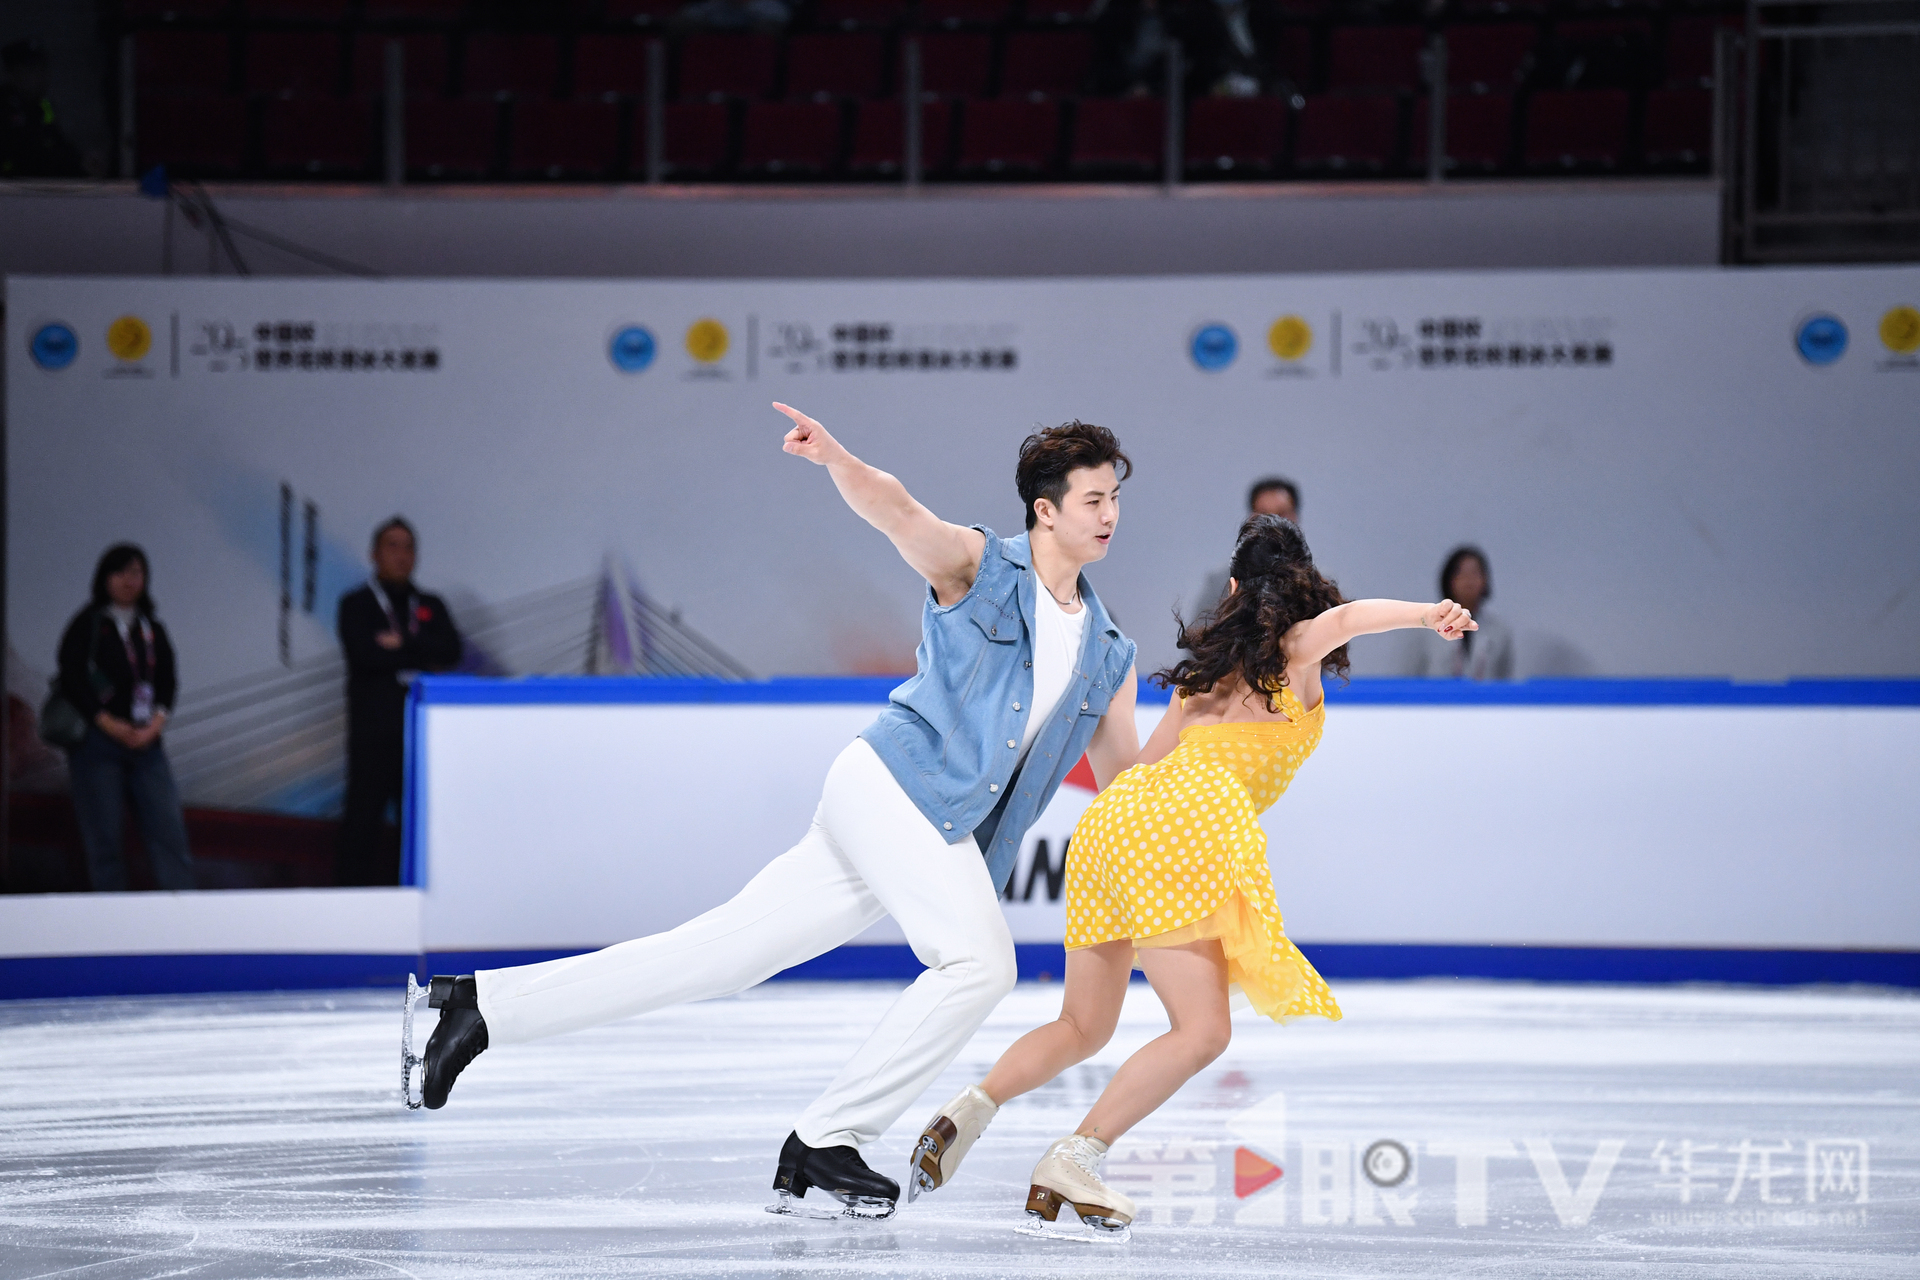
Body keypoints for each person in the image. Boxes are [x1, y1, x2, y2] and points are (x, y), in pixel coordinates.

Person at [409, 403, 1142, 1223]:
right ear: (1045, 510)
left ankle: (477, 1007)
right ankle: (829, 1138)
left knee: (720, 956)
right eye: (1093, 500)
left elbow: (1131, 780)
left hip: (925, 822)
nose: (1110, 515)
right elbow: (899, 511)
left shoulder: (1109, 651)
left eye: (1115, 498)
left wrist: (1225, 728)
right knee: (980, 964)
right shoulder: (985, 571)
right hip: (893, 786)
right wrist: (838, 461)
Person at [908, 514, 1475, 1240]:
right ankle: (1075, 1156)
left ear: (1234, 588)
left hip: (1115, 821)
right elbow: (1349, 619)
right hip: (1187, 824)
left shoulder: (1200, 678)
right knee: (1203, 1031)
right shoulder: (1294, 654)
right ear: (1302, 589)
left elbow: (1135, 772)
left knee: (1081, 1025)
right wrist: (1429, 613)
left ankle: (972, 1108)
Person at [56, 544, 193, 892]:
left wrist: (156, 725)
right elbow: (71, 677)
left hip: (147, 743)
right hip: (99, 743)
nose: (130, 580)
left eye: (137, 573)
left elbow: (168, 680)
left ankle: (182, 921)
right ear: (105, 578)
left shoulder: (152, 628)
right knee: (105, 841)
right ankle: (111, 926)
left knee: (169, 835)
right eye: (121, 572)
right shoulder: (88, 624)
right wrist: (106, 722)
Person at [335, 518, 462, 887]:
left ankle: (415, 901)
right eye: (392, 546)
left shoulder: (430, 604)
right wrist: (420, 652)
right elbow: (363, 655)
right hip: (373, 731)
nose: (401, 555)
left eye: (408, 547)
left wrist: (401, 643)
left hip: (421, 734)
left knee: (419, 823)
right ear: (374, 554)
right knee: (362, 821)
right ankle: (348, 906)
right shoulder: (356, 604)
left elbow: (451, 651)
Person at [1402, 545, 1514, 681]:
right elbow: (1410, 677)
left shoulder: (1499, 631)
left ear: (1485, 580)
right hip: (1436, 700)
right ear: (1449, 580)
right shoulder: (1425, 627)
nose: (1469, 581)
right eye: (1462, 574)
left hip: (1484, 701)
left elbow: (1505, 680)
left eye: (1475, 574)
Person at [1195, 475, 1298, 609]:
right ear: (1251, 519)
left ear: (1295, 518)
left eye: (1281, 514)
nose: (1273, 522)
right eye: (1264, 514)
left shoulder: (1319, 584)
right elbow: (1203, 628)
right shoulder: (1222, 583)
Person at [0, 38, 85, 179]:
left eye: (42, 68)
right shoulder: (4, 106)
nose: (40, 76)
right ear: (14, 73)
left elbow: (55, 140)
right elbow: (23, 153)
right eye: (32, 69)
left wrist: (81, 162)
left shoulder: (43, 106)